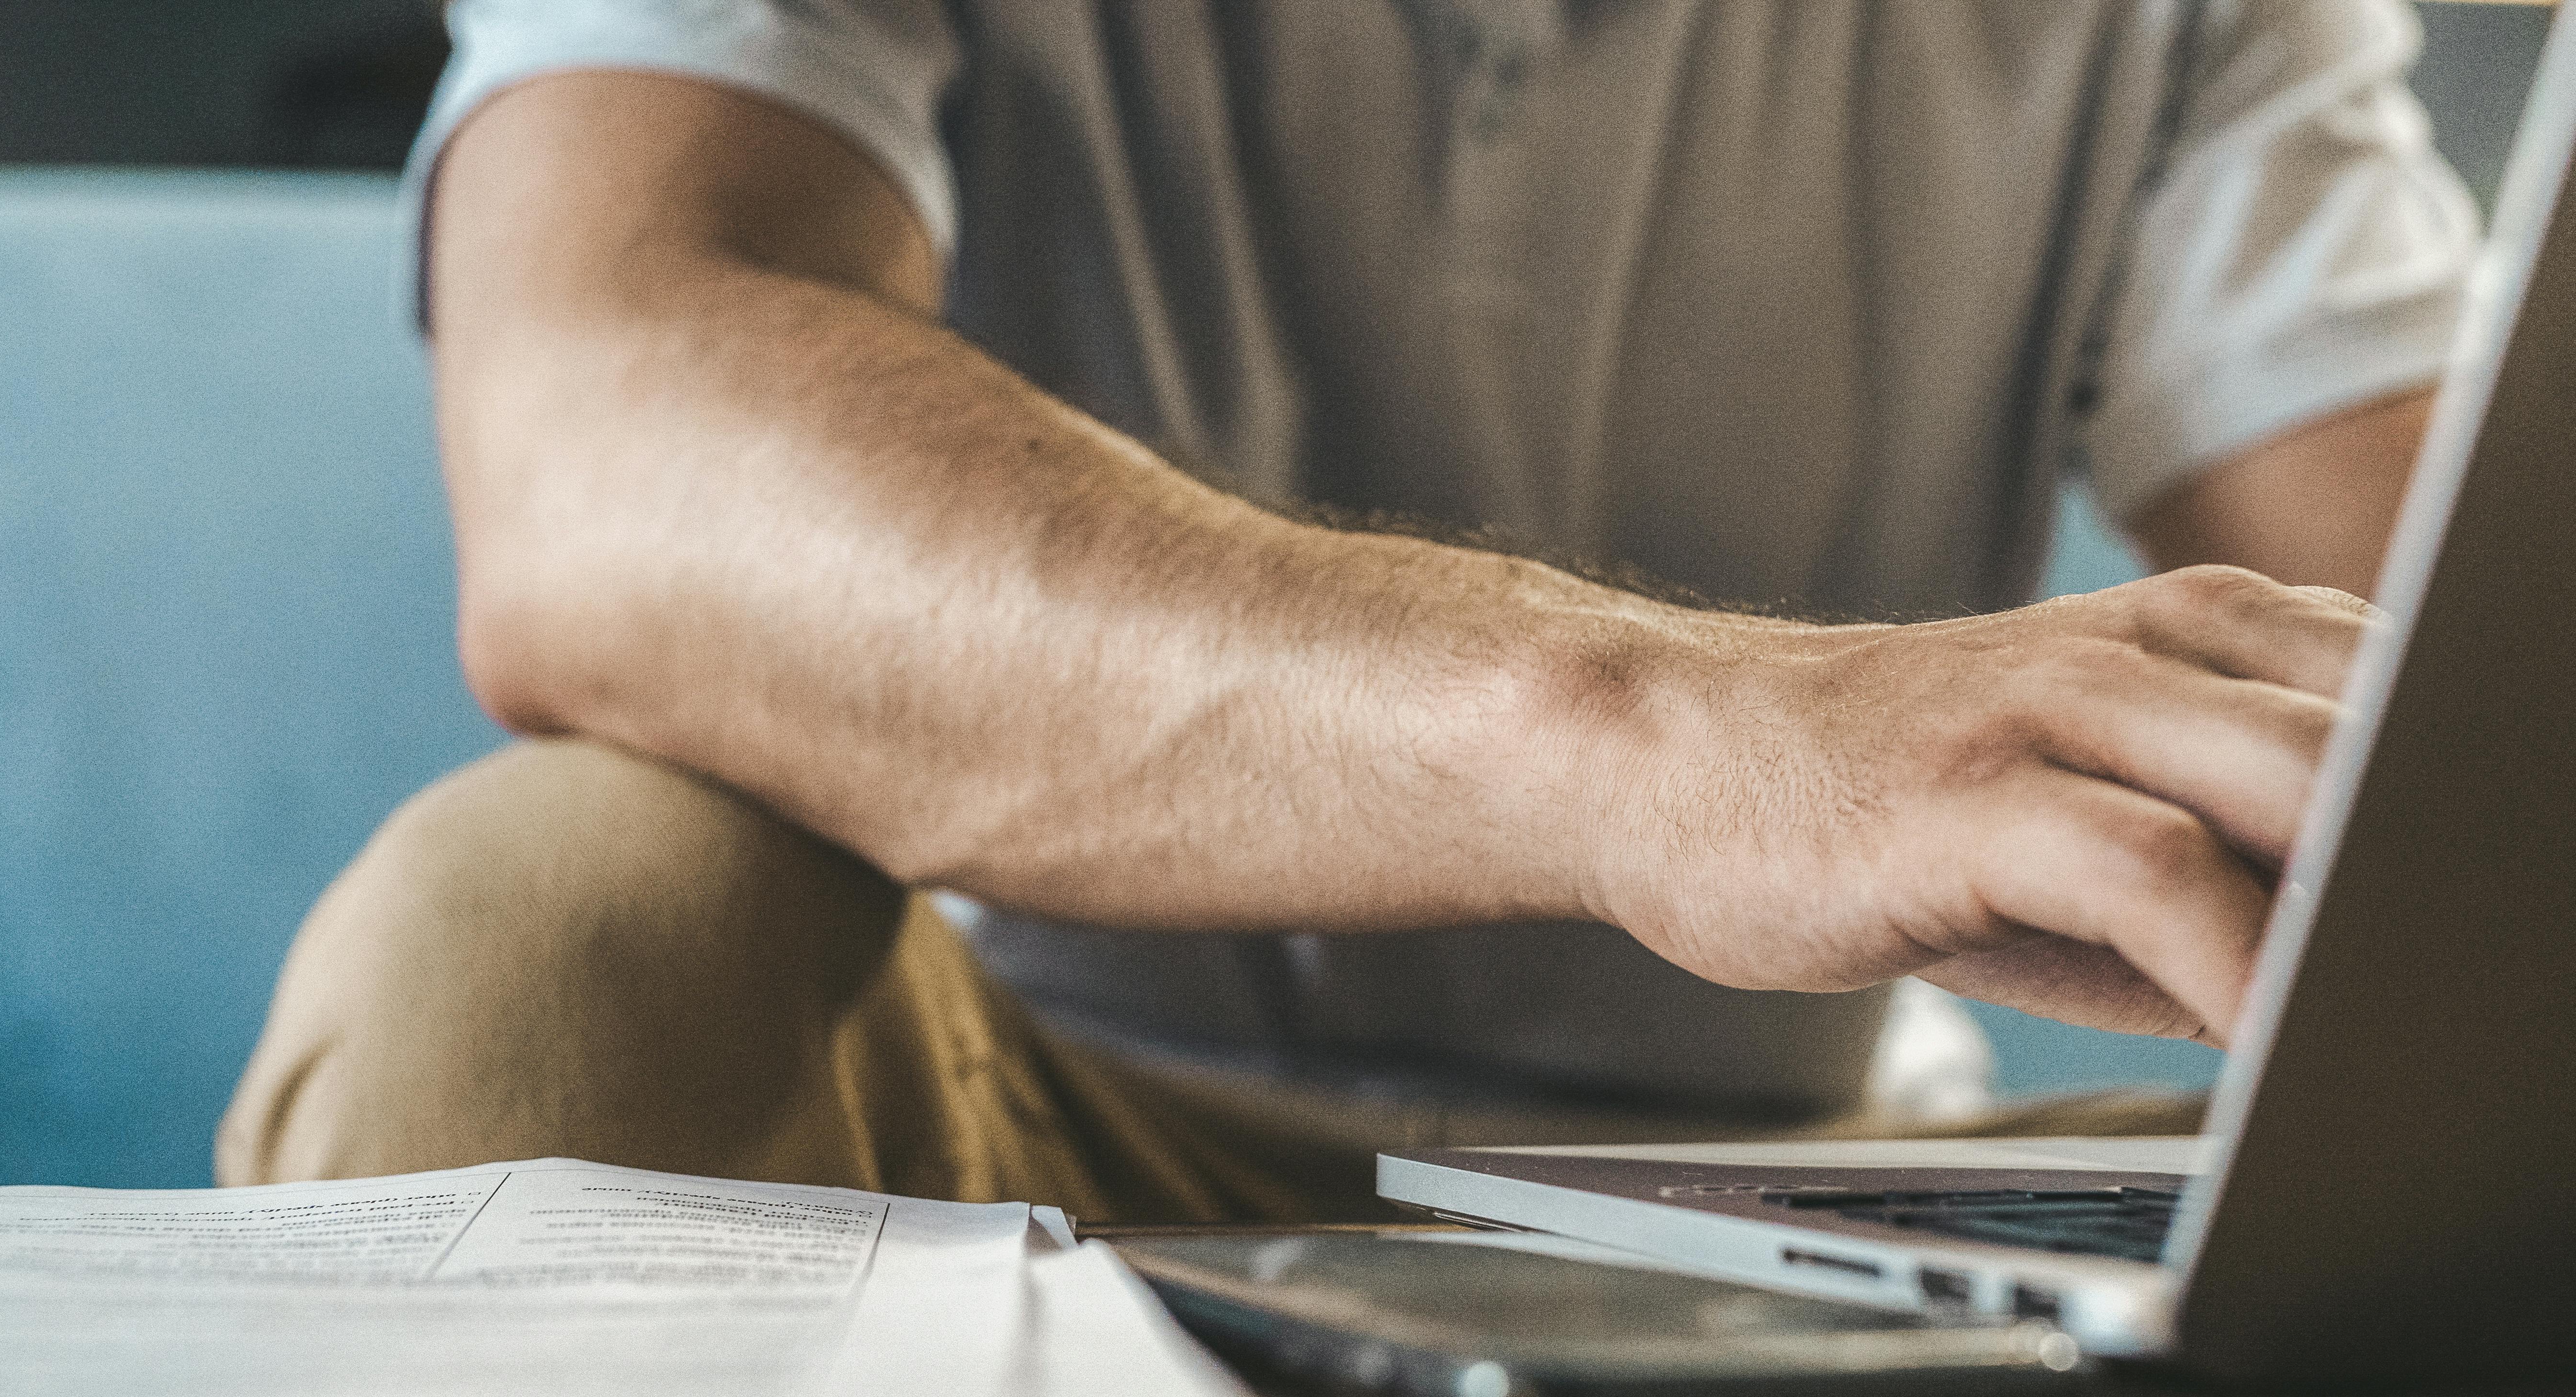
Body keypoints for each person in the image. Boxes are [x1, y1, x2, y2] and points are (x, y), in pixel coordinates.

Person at [220, 0, 2480, 1222]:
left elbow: (2473, 658)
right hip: (1023, 1146)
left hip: (1824, 1204)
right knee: (538, 937)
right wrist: (1673, 745)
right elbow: (602, 450)